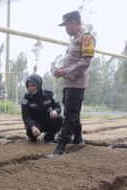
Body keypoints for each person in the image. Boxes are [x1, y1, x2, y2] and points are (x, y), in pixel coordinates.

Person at [50, 11, 96, 156]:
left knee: (69, 115)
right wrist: (59, 70)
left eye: (66, 26)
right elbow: (72, 62)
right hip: (68, 83)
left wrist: (65, 71)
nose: (66, 29)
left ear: (74, 23)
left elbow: (85, 62)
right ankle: (78, 139)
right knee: (73, 113)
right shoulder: (73, 40)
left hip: (77, 84)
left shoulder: (86, 38)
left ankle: (61, 147)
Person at [21, 74, 62, 143]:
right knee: (31, 133)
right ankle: (32, 137)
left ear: (38, 84)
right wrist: (32, 126)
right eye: (29, 86)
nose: (31, 88)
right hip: (35, 124)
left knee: (59, 119)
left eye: (33, 85)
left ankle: (49, 137)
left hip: (48, 121)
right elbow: (25, 116)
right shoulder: (26, 98)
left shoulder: (49, 94)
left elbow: (58, 107)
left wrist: (55, 111)